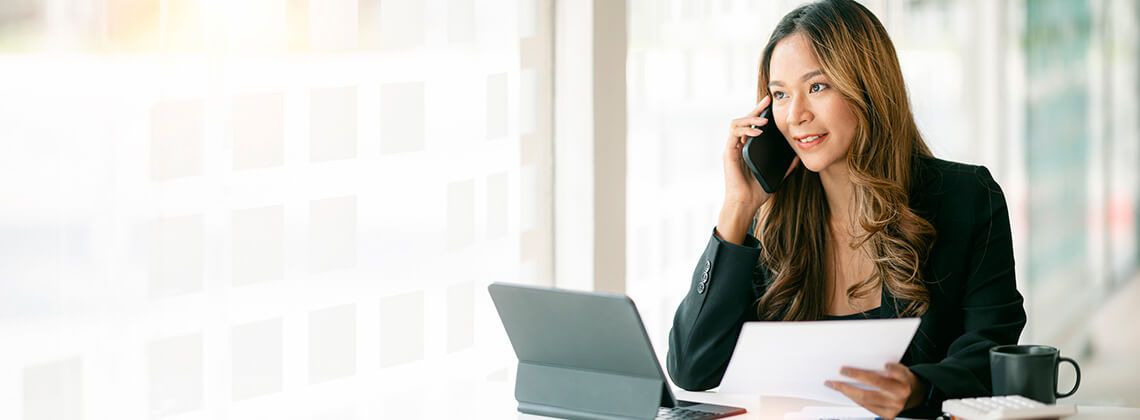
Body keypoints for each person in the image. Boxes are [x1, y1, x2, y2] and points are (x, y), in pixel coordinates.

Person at [664, 0, 1026, 418]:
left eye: (817, 87)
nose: (795, 114)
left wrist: (919, 388)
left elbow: (995, 351)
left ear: (868, 87)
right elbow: (693, 369)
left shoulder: (966, 198)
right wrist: (737, 207)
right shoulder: (769, 222)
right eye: (780, 94)